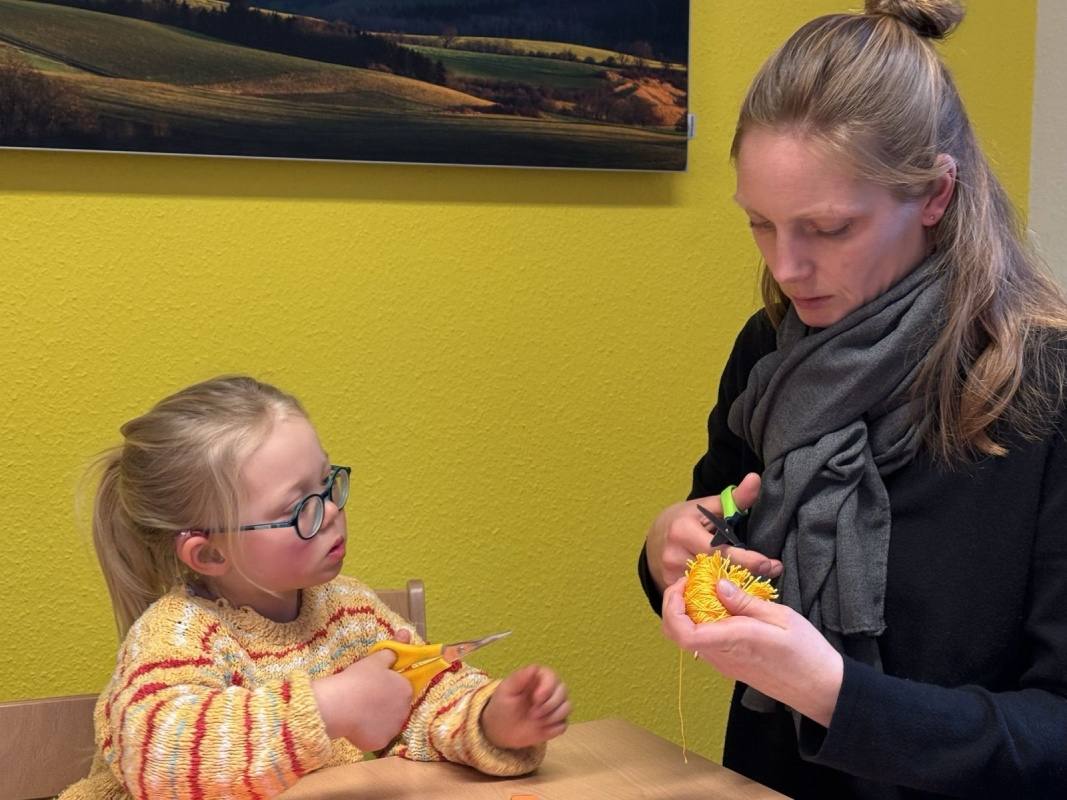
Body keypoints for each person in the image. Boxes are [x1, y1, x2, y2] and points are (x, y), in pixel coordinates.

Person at [638, 1, 1067, 798]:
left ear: (934, 194)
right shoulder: (771, 351)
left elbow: (1054, 735)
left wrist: (836, 696)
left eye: (828, 229)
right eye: (760, 224)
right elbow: (719, 529)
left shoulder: (1046, 385)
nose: (786, 267)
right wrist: (667, 544)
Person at [61, 375, 570, 800]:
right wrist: (330, 707)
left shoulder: (350, 611)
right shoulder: (176, 634)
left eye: (327, 484)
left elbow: (423, 698)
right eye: (297, 508)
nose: (329, 512)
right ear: (210, 554)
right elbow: (155, 756)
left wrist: (490, 722)